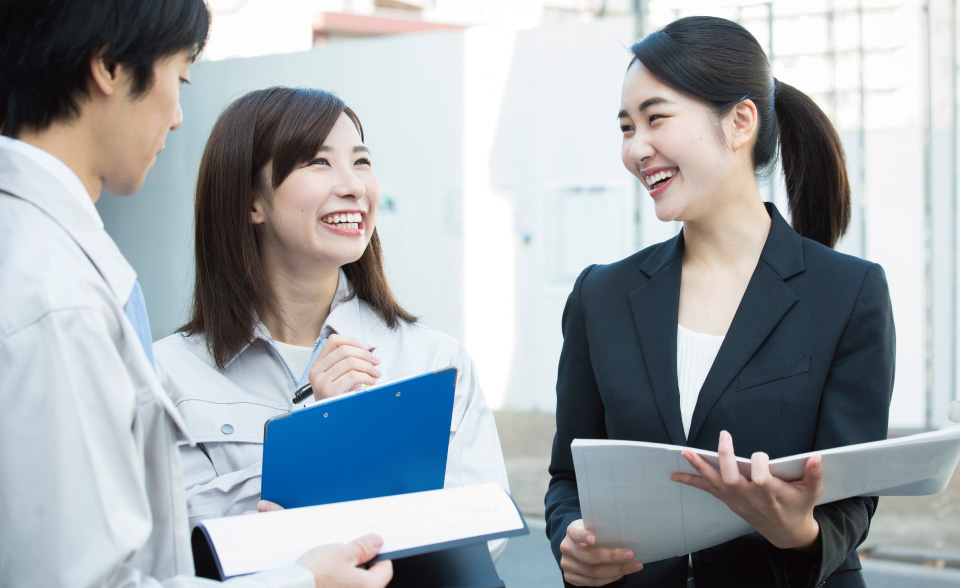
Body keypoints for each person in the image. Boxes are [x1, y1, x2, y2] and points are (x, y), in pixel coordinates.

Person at [0, 1, 391, 586]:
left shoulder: (47, 259)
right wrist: (300, 580)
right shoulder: (57, 294)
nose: (179, 116)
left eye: (360, 161)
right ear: (109, 67)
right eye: (178, 78)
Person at [545, 16, 895, 588]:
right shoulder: (600, 296)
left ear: (739, 123)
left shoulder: (848, 293)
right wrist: (570, 539)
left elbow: (851, 506)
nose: (636, 149)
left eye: (655, 119)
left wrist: (795, 531)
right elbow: (567, 480)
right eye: (626, 128)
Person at [153, 87, 510, 560]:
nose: (354, 186)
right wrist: (315, 435)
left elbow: (482, 540)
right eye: (319, 162)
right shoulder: (167, 376)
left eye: (361, 161)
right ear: (251, 201)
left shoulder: (436, 363)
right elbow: (177, 552)